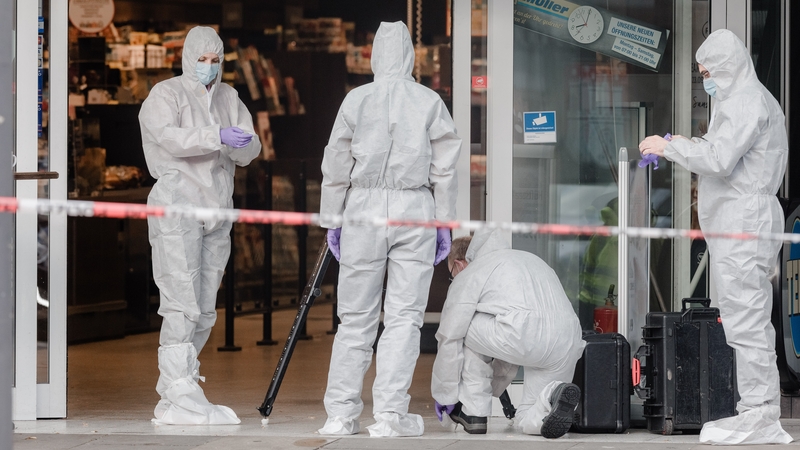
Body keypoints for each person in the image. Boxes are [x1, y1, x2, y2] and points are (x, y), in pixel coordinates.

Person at [639, 29, 791, 445]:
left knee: (747, 321)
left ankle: (759, 414)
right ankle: (755, 411)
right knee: (745, 320)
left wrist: (669, 147)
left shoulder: (745, 101)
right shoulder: (746, 100)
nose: (706, 79)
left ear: (728, 66)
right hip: (743, 223)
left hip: (745, 224)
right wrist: (682, 145)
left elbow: (720, 159)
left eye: (709, 71)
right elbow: (722, 151)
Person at [318, 21, 461, 437]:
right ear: (411, 56)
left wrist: (333, 218)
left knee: (355, 318)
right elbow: (446, 168)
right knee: (404, 318)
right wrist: (443, 223)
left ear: (374, 55)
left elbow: (336, 162)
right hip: (414, 206)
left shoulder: (356, 100)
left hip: (362, 208)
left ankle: (341, 414)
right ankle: (389, 416)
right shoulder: (429, 101)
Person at [139, 26, 261, 425]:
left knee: (205, 305)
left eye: (215, 60)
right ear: (187, 57)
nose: (209, 67)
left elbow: (249, 147)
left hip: (217, 208)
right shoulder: (166, 94)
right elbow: (169, 139)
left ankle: (181, 385)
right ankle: (176, 390)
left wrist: (244, 143)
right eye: (202, 59)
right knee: (181, 300)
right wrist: (216, 136)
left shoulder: (229, 96)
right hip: (178, 206)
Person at [431, 228, 585, 437]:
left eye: (451, 275)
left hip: (521, 334)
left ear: (459, 264)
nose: (454, 279)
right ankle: (553, 394)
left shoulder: (472, 272)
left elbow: (449, 336)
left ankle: (474, 412)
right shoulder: (531, 260)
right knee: (529, 417)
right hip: (568, 339)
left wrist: (445, 393)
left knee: (461, 324)